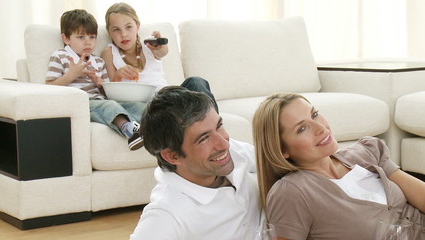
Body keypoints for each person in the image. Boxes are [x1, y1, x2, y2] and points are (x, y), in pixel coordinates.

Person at [252, 92, 425, 240]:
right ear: (282, 150)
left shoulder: (367, 153)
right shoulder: (292, 192)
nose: (320, 127)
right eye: (302, 128)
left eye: (314, 115)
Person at [130, 86, 262, 240]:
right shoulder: (166, 215)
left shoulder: (233, 152)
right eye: (203, 138)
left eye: (219, 126)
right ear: (173, 156)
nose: (224, 144)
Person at [46, 9, 144, 151]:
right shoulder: (60, 56)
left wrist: (99, 82)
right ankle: (130, 131)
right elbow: (48, 87)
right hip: (79, 104)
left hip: (100, 100)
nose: (88, 42)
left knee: (137, 106)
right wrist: (71, 75)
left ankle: (151, 129)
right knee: (109, 106)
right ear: (66, 39)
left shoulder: (98, 61)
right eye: (81, 37)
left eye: (92, 37)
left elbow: (107, 93)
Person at [101, 2, 219, 112]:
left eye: (128, 27)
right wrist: (118, 75)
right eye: (116, 29)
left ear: (137, 26)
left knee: (196, 82)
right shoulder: (109, 53)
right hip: (146, 107)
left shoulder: (149, 46)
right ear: (109, 32)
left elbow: (162, 52)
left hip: (167, 98)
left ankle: (216, 126)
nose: (124, 34)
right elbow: (110, 91)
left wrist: (160, 46)